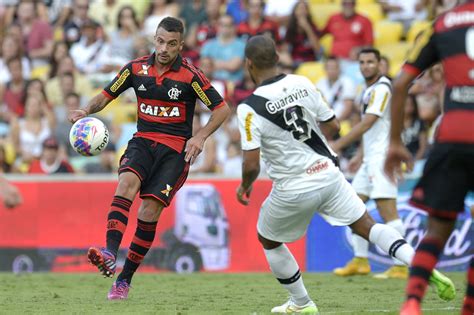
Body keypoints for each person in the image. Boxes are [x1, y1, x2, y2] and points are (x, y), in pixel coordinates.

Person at [235, 35, 454, 314]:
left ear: (248, 64)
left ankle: (302, 303)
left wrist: (245, 186)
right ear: (278, 58)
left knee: (268, 239)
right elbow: (334, 126)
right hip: (328, 174)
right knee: (367, 224)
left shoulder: (248, 108)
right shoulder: (302, 82)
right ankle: (420, 263)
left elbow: (251, 164)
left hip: (293, 186)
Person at [68, 17, 230, 300]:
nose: (163, 48)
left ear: (180, 45)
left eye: (171, 43)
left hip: (175, 152)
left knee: (148, 212)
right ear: (154, 39)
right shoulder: (135, 69)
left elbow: (221, 109)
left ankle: (124, 279)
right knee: (125, 185)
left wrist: (200, 136)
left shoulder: (191, 76)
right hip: (143, 142)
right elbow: (107, 95)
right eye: (159, 41)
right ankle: (108, 252)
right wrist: (85, 110)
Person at [383, 1, 474, 314]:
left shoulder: (442, 24)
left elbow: (400, 83)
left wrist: (395, 142)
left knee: (436, 230)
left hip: (452, 136)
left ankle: (411, 303)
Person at [330, 48, 408, 279]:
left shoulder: (383, 88)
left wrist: (339, 144)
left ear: (380, 64)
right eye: (362, 62)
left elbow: (368, 123)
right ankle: (361, 260)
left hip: (383, 158)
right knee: (352, 208)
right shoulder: (369, 90)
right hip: (370, 158)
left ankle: (401, 265)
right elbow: (371, 128)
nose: (366, 66)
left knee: (388, 212)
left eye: (370, 62)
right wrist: (360, 156)